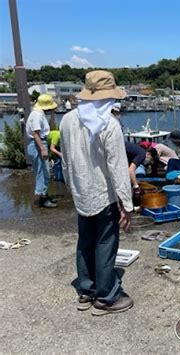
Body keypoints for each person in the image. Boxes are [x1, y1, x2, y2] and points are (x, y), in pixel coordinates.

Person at [60, 70, 134, 316]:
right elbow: (118, 169)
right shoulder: (108, 124)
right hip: (103, 195)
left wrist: (72, 188)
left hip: (81, 192)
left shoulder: (67, 120)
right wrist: (127, 204)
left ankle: (86, 290)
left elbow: (65, 162)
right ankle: (107, 296)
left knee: (85, 242)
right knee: (105, 243)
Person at [26, 94, 58, 208]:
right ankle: (42, 197)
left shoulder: (39, 113)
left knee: (44, 171)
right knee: (42, 171)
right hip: (37, 144)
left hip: (38, 143)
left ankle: (44, 194)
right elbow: (36, 133)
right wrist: (43, 149)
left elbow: (43, 131)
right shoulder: (37, 115)